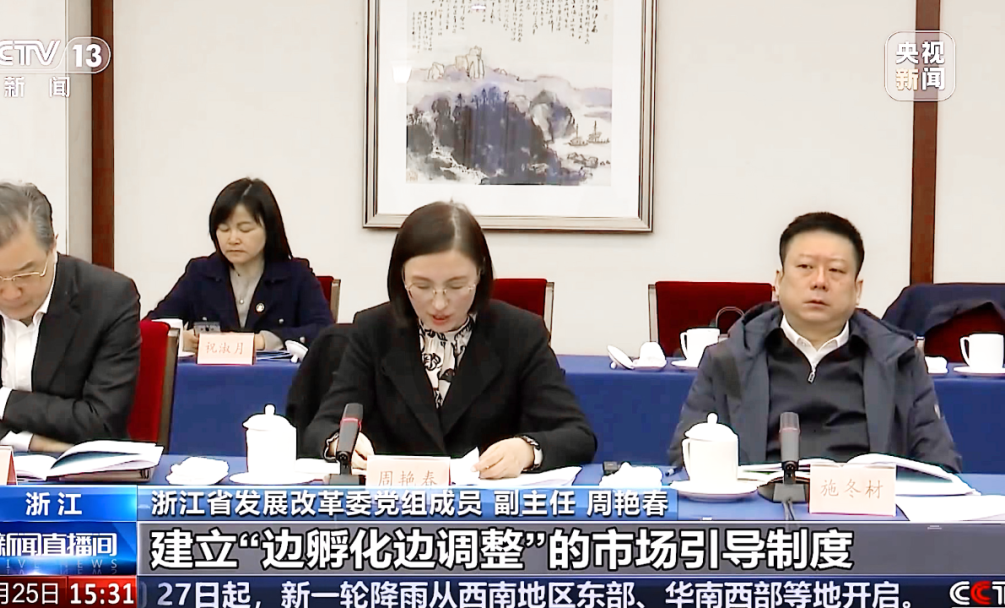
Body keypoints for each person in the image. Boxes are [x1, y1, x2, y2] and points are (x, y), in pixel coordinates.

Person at [304, 202, 596, 478]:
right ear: (401, 278)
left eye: (456, 286)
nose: (439, 304)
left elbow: (577, 434)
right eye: (422, 286)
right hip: (395, 502)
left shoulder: (519, 333)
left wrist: (527, 451)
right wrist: (340, 442)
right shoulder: (373, 330)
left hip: (483, 505)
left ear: (480, 273)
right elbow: (320, 427)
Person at [668, 212, 961, 472]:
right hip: (761, 509)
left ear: (857, 289)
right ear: (778, 281)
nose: (820, 281)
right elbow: (686, 459)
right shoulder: (728, 358)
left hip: (865, 509)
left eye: (836, 270)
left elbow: (940, 465)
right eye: (805, 267)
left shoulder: (899, 360)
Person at [0, 182, 142, 451]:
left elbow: (102, 421)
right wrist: (27, 442)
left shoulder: (108, 298)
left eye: (26, 274)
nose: (10, 293)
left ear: (53, 247)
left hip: (80, 468)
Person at [147, 178, 333, 351]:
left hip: (274, 374)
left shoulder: (296, 275)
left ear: (269, 230)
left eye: (245, 229)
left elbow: (325, 331)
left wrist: (262, 341)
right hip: (211, 374)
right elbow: (151, 327)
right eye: (224, 229)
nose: (233, 239)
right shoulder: (200, 274)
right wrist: (179, 338)